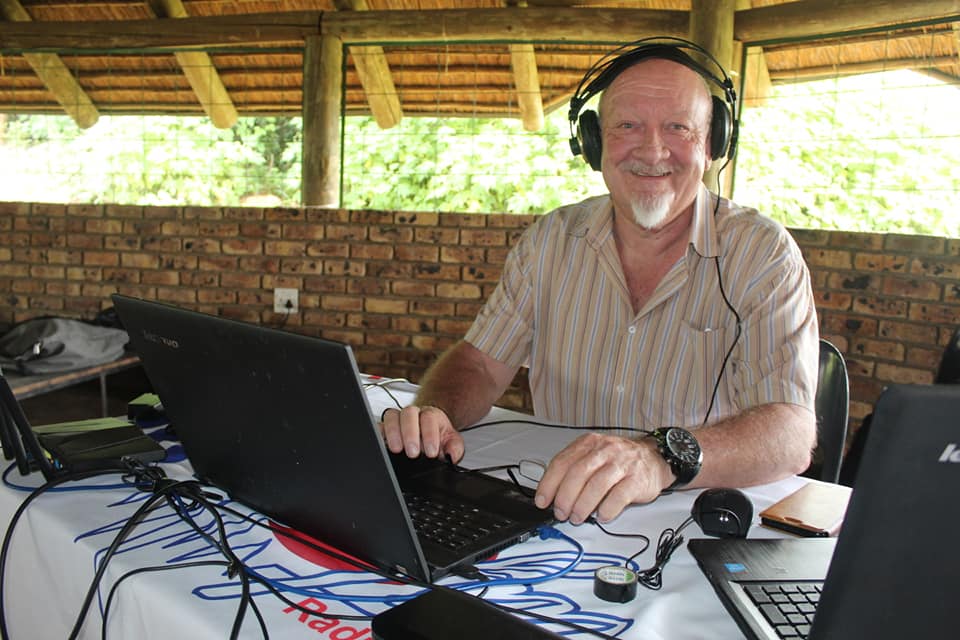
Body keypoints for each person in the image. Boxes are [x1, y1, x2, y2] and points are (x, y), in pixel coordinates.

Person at [381, 42, 819, 527]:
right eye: (627, 125)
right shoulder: (550, 240)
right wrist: (436, 411)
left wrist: (660, 457)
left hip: (691, 519)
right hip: (556, 506)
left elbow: (790, 433)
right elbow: (481, 363)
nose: (652, 150)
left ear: (713, 143)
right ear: (593, 142)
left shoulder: (763, 254)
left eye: (678, 127)